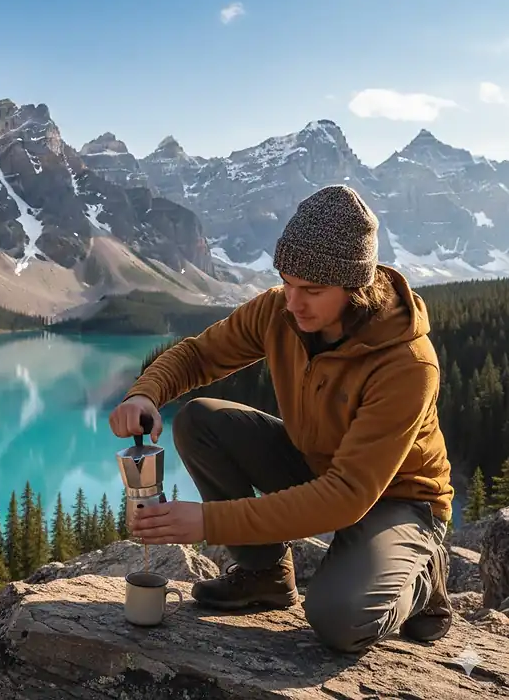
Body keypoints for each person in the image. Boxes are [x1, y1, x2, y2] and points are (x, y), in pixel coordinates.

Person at [108, 184, 454, 654]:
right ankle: (262, 575)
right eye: (287, 283)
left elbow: (347, 495)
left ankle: (423, 575)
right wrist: (145, 394)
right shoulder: (281, 311)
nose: (292, 303)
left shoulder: (407, 362)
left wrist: (207, 522)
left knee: (341, 620)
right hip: (319, 465)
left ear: (356, 285)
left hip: (399, 498)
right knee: (199, 420)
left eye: (311, 290)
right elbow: (199, 355)